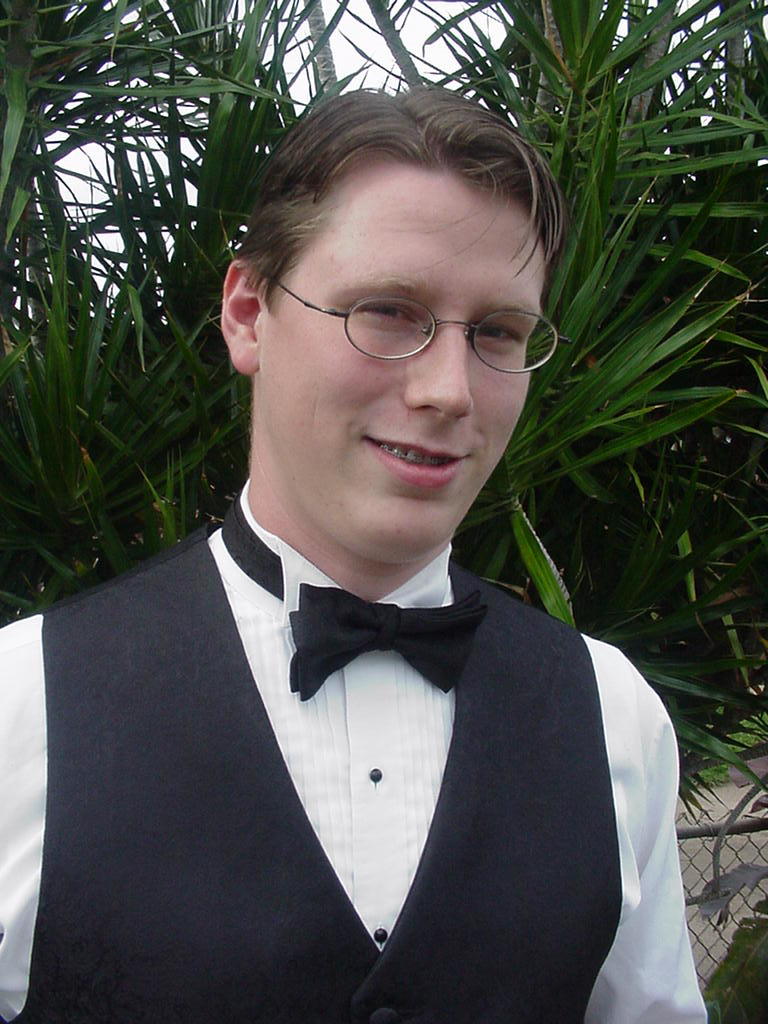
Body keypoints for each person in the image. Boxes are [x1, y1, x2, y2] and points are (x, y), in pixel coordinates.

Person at [0, 88, 705, 1023]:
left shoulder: (616, 716)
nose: (450, 391)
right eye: (388, 310)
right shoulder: (20, 706)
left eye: (497, 332)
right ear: (247, 313)